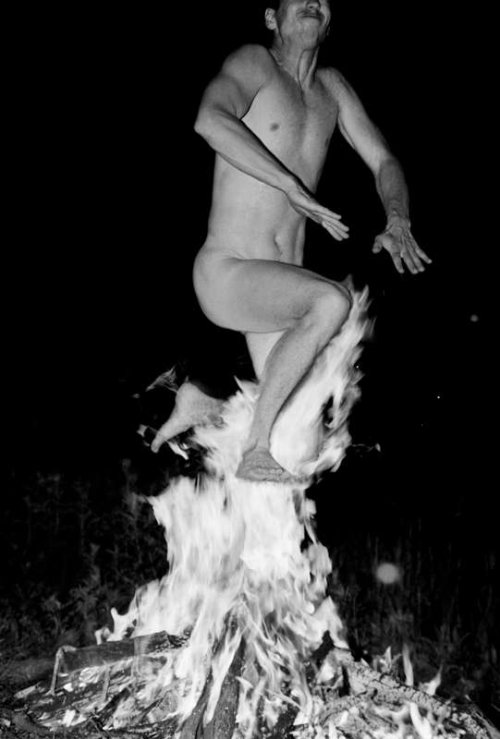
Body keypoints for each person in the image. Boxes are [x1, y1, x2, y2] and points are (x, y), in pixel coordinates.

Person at [152, 0, 432, 482]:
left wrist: (398, 217)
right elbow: (210, 120)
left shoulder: (333, 89)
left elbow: (384, 161)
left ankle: (205, 401)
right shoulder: (255, 63)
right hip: (229, 271)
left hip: (278, 291)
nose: (313, 3)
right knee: (331, 302)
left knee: (305, 442)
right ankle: (255, 446)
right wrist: (289, 185)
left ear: (331, 20)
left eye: (322, 0)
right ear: (271, 18)